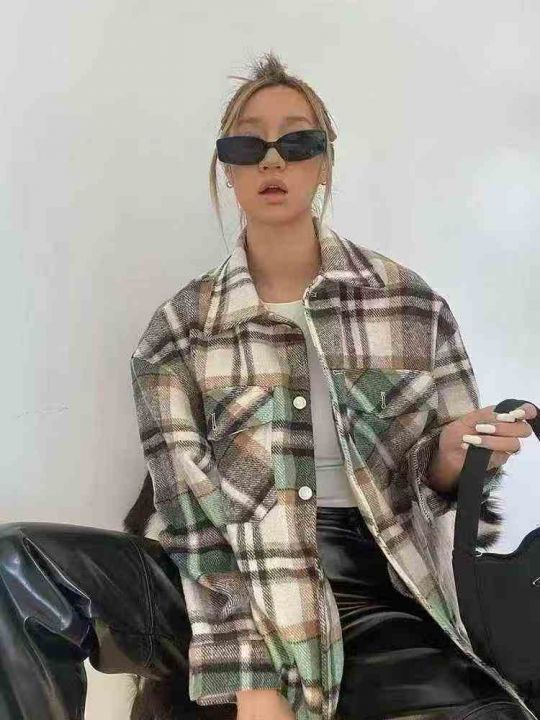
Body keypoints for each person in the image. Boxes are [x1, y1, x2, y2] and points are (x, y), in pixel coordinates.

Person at [0, 51, 537, 720]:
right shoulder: (180, 330)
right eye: (248, 144)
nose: (273, 160)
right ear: (226, 168)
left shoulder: (410, 304)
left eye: (297, 141)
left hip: (365, 589)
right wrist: (254, 678)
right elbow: (191, 517)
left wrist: (449, 460)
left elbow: (459, 512)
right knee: (16, 563)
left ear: (325, 160)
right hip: (210, 580)